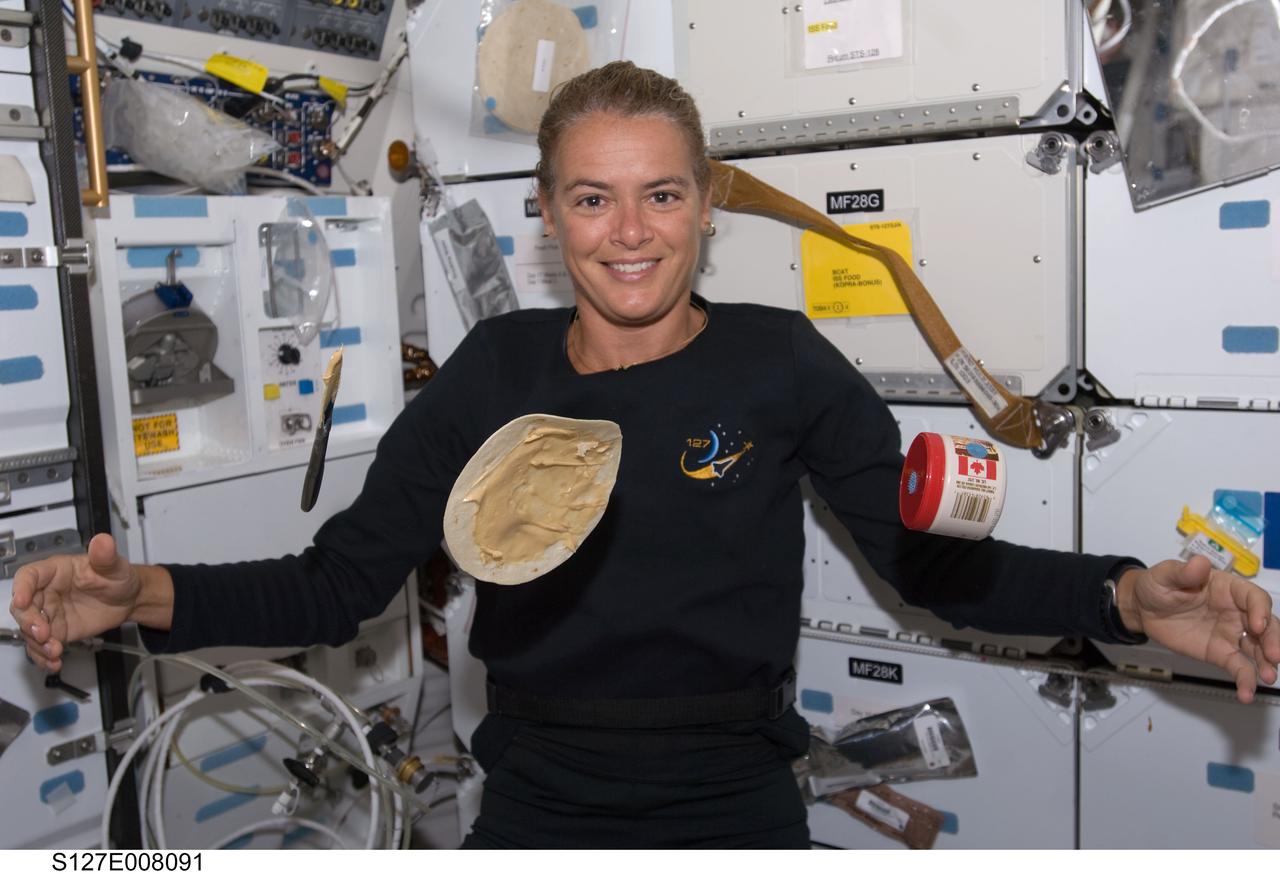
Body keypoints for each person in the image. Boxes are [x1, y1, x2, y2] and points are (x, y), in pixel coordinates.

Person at [10, 62, 1280, 849]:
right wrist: (141, 596)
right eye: (591, 197)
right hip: (536, 805)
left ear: (705, 206)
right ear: (548, 214)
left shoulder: (781, 362)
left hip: (736, 801)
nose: (629, 232)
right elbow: (334, 585)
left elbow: (928, 569)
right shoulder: (495, 371)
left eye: (661, 194)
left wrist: (1124, 597)